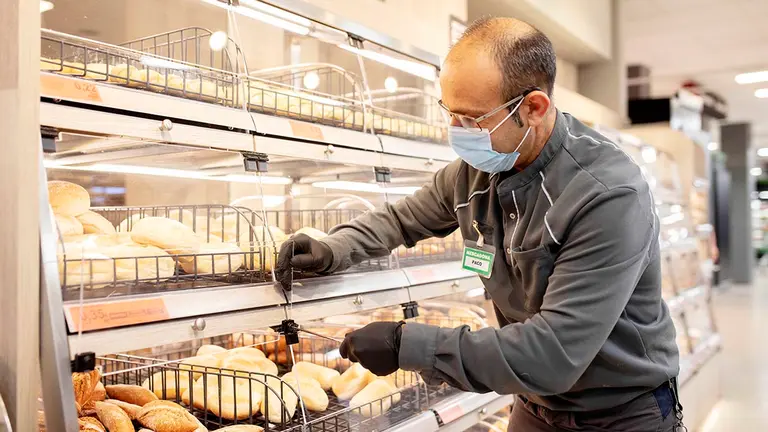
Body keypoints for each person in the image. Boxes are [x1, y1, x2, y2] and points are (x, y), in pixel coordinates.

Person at [276, 17, 682, 432]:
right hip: (531, 404)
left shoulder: (607, 194)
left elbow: (553, 353)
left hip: (619, 414)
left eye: (471, 119)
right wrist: (334, 248)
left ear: (533, 108)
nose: (456, 132)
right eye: (449, 113)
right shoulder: (473, 175)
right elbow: (402, 219)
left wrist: (405, 344)